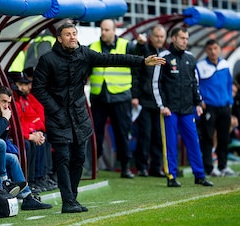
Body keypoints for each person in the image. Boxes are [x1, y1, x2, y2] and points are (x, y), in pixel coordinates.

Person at [32, 22, 165, 213]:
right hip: (58, 116)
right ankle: (68, 201)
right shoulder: (48, 60)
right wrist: (56, 109)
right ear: (59, 39)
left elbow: (112, 59)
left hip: (79, 115)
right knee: (63, 158)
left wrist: (142, 61)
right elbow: (38, 88)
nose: (72, 37)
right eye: (67, 34)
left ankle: (73, 199)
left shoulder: (84, 53)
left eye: (74, 33)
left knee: (79, 158)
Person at [152, 27, 213, 187]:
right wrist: (162, 105)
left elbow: (195, 83)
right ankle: (171, 176)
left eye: (186, 38)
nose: (185, 41)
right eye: (182, 38)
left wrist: (198, 103)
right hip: (169, 110)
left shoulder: (191, 58)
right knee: (170, 144)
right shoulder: (163, 57)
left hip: (187, 109)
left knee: (194, 142)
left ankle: (199, 175)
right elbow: (156, 83)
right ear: (173, 39)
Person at [0, 85, 53, 210]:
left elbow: (2, 135)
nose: (6, 106)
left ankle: (27, 197)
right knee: (0, 144)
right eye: (4, 101)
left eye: (8, 102)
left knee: (12, 158)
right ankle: (4, 183)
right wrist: (5, 119)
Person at [89, 19, 135, 179]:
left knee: (122, 133)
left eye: (107, 30)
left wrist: (134, 94)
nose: (103, 32)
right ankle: (93, 166)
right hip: (98, 97)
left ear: (115, 30)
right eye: (102, 29)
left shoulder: (127, 45)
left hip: (121, 96)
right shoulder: (92, 47)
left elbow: (137, 70)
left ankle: (125, 167)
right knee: (96, 133)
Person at [8, 71, 57, 192]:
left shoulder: (21, 98)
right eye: (21, 84)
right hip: (13, 136)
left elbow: (35, 117)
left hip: (25, 132)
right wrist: (31, 134)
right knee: (29, 144)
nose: (26, 87)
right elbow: (14, 124)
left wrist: (35, 131)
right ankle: (30, 180)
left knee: (42, 139)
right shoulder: (13, 100)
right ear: (13, 84)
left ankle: (40, 178)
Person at [131, 25, 167, 177]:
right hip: (144, 100)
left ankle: (156, 167)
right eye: (157, 36)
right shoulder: (144, 49)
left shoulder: (166, 54)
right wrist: (135, 95)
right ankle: (142, 167)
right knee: (145, 135)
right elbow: (136, 72)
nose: (159, 39)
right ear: (151, 37)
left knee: (158, 136)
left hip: (159, 103)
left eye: (161, 36)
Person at [196, 39, 235, 177]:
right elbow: (195, 85)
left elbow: (229, 84)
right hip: (209, 107)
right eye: (210, 49)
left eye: (215, 48)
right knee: (207, 138)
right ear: (206, 51)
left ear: (219, 49)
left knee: (224, 138)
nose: (213, 52)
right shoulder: (200, 66)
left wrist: (230, 102)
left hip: (224, 107)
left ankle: (223, 166)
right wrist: (200, 101)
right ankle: (209, 168)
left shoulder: (225, 64)